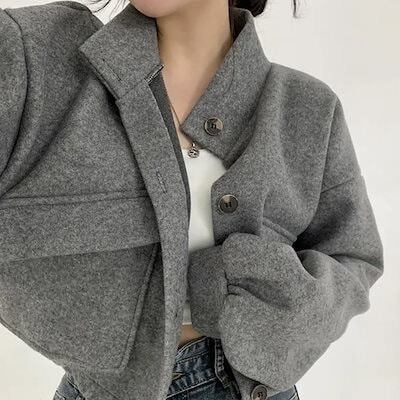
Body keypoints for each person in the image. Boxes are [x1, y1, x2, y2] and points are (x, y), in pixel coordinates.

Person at [0, 0, 383, 399]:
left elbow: (354, 257)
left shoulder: (307, 108)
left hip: (249, 386)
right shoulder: (39, 57)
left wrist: (259, 295)